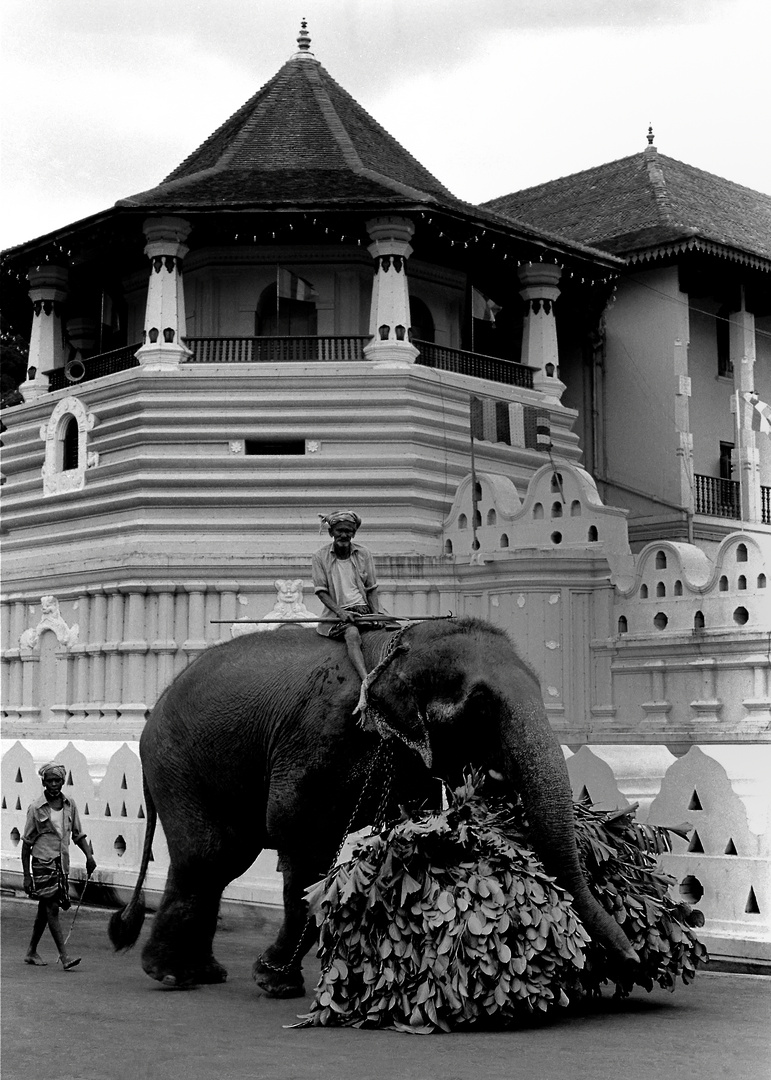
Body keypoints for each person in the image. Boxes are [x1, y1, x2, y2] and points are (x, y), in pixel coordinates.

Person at [312, 510, 394, 713]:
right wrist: (340, 613)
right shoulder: (319, 557)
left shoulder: (364, 554)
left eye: (349, 531)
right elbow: (321, 592)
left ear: (354, 533)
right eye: (340, 531)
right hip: (337, 614)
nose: (344, 535)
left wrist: (376, 614)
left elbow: (371, 588)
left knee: (392, 632)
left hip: (363, 609)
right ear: (331, 532)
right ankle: (366, 681)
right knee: (352, 634)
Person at [21, 762, 97, 969]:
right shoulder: (36, 808)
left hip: (61, 865)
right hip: (42, 863)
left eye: (57, 780)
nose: (54, 784)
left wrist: (89, 856)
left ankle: (31, 951)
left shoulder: (69, 804)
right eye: (50, 780)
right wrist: (27, 876)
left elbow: (78, 834)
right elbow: (26, 844)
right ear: (43, 782)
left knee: (44, 909)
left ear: (63, 781)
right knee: (52, 907)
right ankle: (64, 957)